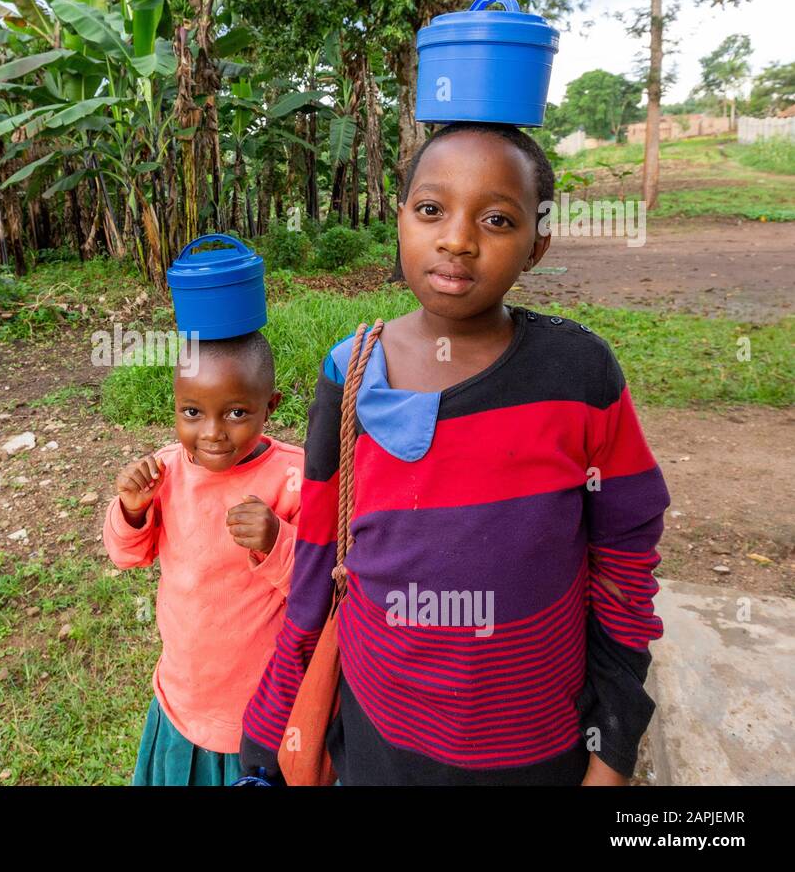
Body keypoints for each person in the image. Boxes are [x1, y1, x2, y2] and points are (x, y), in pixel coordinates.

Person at [240, 122, 670, 785]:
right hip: (381, 731)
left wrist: (611, 747)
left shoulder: (580, 373)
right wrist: (273, 726)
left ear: (537, 244)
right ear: (402, 220)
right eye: (431, 210)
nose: (457, 240)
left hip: (535, 741)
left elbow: (625, 559)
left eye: (497, 219)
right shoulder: (349, 370)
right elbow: (319, 556)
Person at [103, 331, 304, 785]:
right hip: (184, 692)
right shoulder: (166, 470)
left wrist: (277, 540)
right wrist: (132, 509)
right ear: (175, 406)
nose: (212, 432)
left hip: (265, 704)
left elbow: (321, 587)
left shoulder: (293, 477)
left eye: (236, 412)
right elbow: (126, 555)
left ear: (270, 406)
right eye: (192, 412)